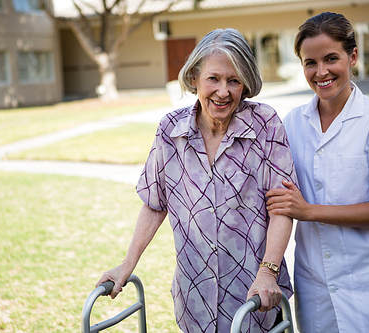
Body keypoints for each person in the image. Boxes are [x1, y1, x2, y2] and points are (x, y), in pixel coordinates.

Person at [96, 28, 297, 333]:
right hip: (195, 297)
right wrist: (127, 264)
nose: (223, 91)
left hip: (255, 298)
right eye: (213, 79)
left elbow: (282, 207)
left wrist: (268, 270)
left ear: (246, 83)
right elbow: (155, 203)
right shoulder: (170, 131)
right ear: (194, 79)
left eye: (234, 80)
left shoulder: (266, 124)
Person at [266, 12, 369, 333]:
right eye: (310, 62)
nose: (321, 72)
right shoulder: (292, 123)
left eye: (331, 59)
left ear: (353, 57)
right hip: (316, 285)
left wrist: (308, 211)